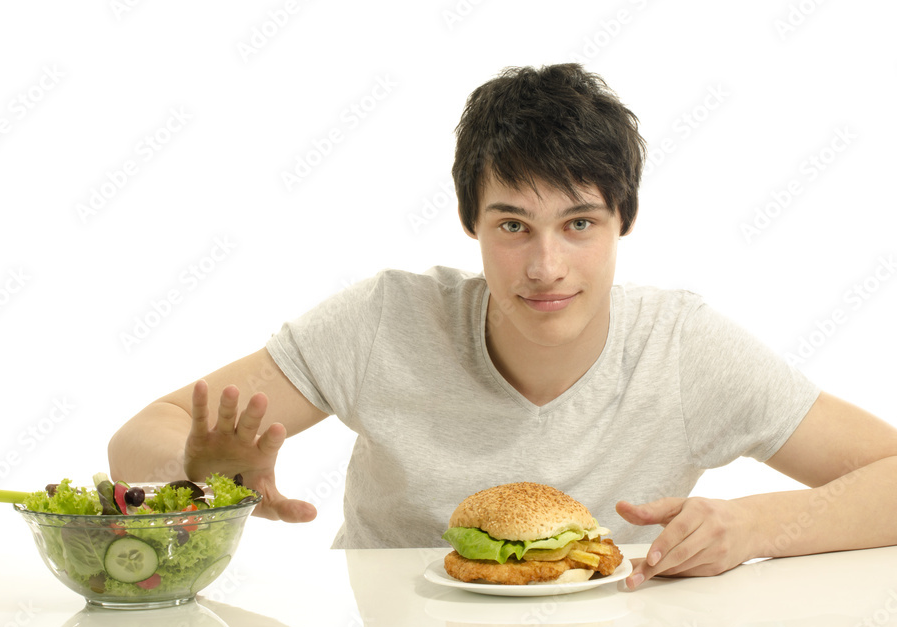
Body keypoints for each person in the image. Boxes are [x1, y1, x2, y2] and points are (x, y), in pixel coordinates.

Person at [109, 63, 897, 590]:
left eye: (579, 224)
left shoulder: (684, 348)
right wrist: (193, 473)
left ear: (622, 220)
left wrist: (754, 524)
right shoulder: (386, 319)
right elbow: (141, 436)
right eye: (513, 226)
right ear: (470, 225)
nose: (546, 266)